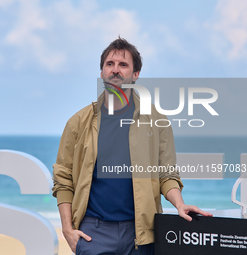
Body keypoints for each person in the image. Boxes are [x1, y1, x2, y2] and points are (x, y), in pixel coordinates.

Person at [52, 37, 212, 255]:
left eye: (123, 65)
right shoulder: (78, 123)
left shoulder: (157, 121)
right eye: (110, 64)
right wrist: (67, 228)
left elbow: (166, 174)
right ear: (101, 73)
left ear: (135, 75)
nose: (115, 70)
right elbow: (63, 179)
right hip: (93, 233)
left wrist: (179, 204)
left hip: (141, 233)